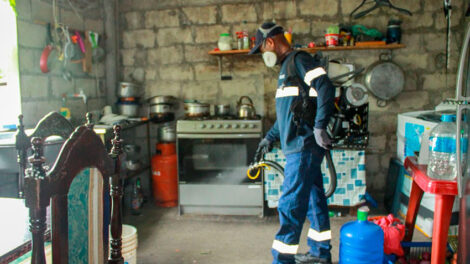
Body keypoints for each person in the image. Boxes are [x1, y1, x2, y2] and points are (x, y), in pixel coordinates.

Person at [249, 22, 335, 264]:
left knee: (290, 205)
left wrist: (319, 126)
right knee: (314, 198)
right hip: (299, 145)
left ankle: (282, 260)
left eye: (261, 49)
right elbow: (288, 114)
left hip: (303, 145)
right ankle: (320, 254)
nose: (262, 55)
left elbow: (325, 86)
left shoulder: (299, 59)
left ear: (270, 42)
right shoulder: (286, 69)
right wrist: (269, 136)